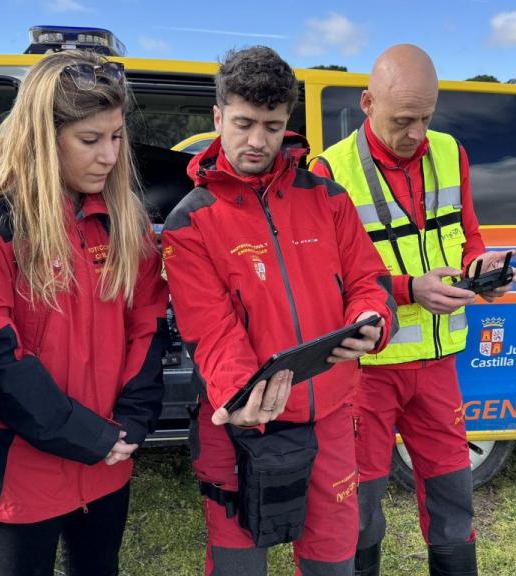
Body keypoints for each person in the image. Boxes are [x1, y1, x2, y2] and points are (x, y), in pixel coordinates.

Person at [0, 50, 169, 576]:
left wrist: (132, 421)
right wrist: (90, 437)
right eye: (89, 140)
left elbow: (147, 323)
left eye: (117, 136)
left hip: (108, 458)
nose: (109, 155)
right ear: (42, 135)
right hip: (21, 470)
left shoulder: (124, 220)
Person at [161, 46, 397, 576]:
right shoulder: (190, 220)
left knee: (333, 565)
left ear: (286, 120)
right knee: (239, 568)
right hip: (241, 427)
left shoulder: (329, 198)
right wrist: (244, 397)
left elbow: (369, 280)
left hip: (330, 420)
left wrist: (372, 321)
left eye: (271, 125)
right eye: (243, 124)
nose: (257, 141)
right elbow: (211, 330)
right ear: (218, 117)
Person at [312, 44, 516, 576]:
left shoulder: (450, 152)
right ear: (366, 103)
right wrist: (408, 290)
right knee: (357, 512)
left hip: (438, 367)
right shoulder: (328, 170)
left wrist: (482, 270)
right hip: (365, 372)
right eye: (403, 120)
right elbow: (324, 283)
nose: (416, 133)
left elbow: (468, 236)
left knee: (454, 501)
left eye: (426, 118)